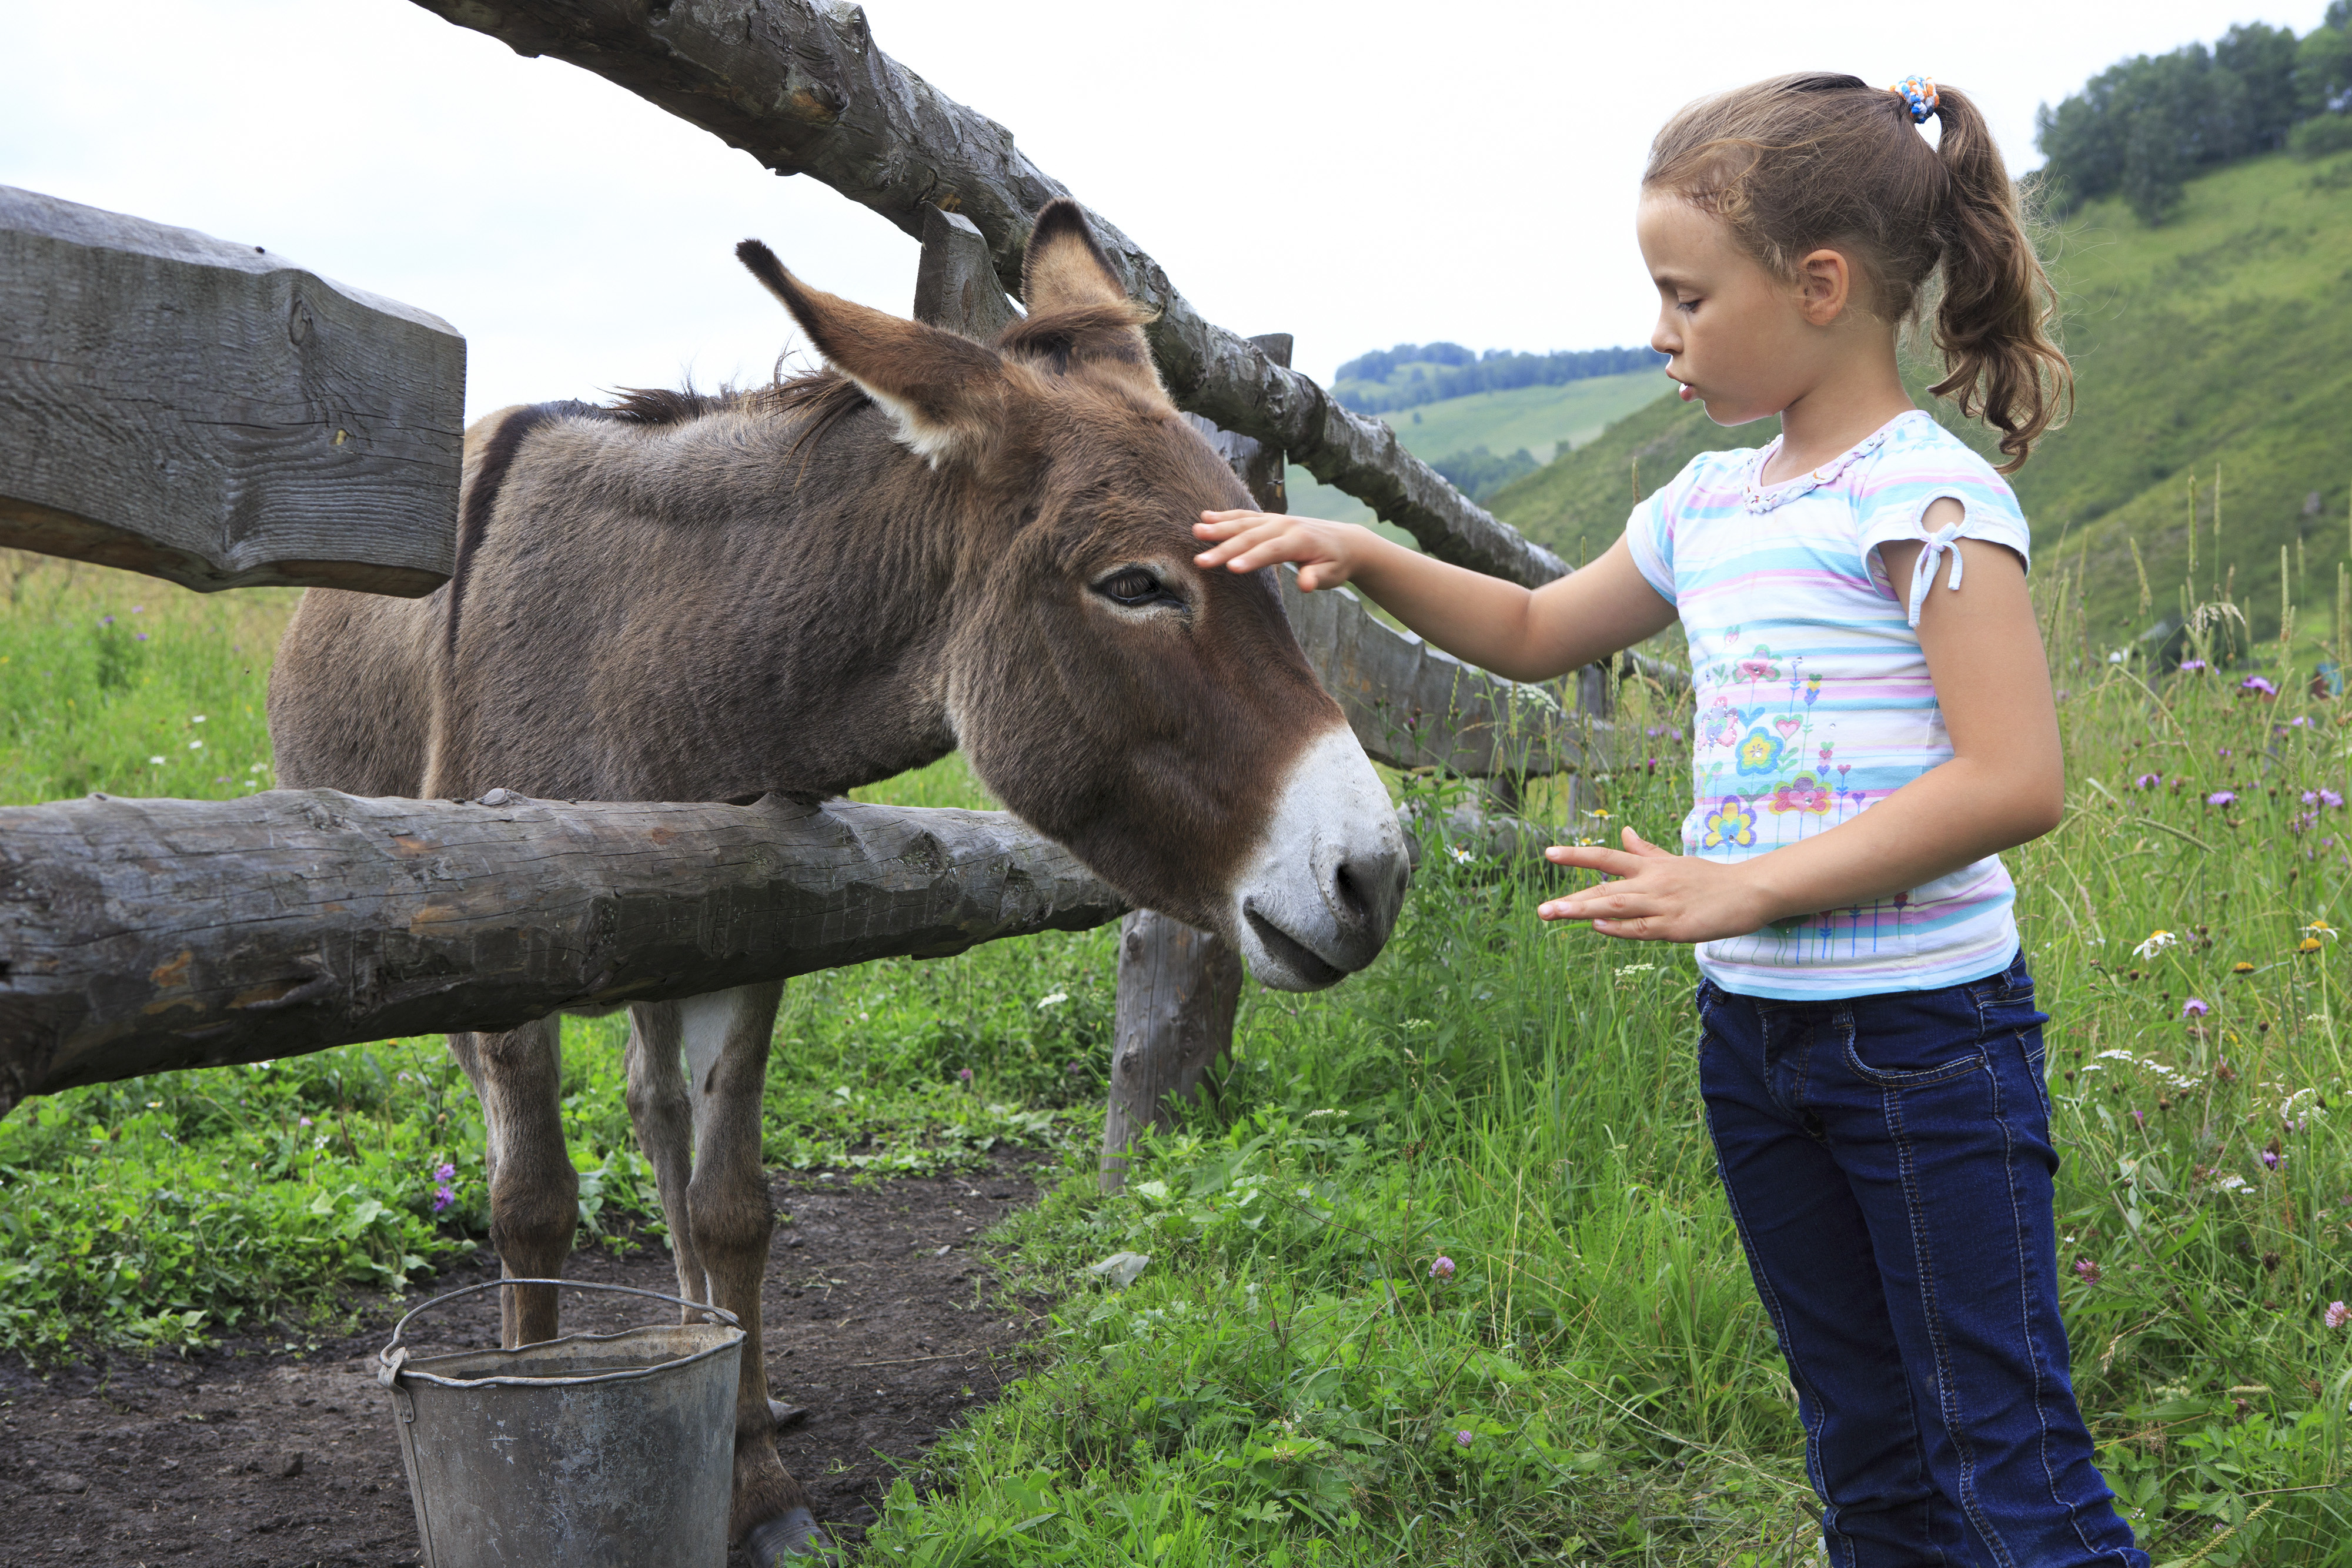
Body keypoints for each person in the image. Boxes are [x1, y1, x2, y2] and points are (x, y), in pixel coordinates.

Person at [1194, 72, 2144, 1568]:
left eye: (1685, 295)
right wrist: (1361, 552)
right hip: (1754, 1043)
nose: (1659, 330)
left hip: (1923, 1045)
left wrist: (1746, 885)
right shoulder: (1706, 504)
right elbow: (1529, 629)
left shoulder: (1922, 499)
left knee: (2002, 1464)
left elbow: (2012, 777)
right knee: (1861, 1451)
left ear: (1817, 287)